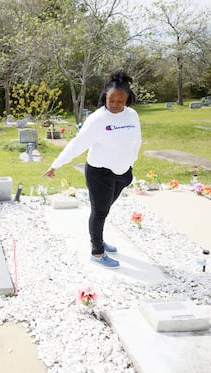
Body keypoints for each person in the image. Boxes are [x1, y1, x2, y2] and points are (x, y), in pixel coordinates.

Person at [44, 70, 141, 268]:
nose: (115, 105)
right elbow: (77, 144)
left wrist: (130, 163)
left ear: (127, 99)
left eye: (120, 101)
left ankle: (98, 239)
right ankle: (97, 252)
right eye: (111, 100)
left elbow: (136, 141)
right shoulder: (98, 119)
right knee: (99, 212)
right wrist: (56, 164)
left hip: (122, 174)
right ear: (104, 96)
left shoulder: (132, 115)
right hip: (100, 174)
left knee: (104, 210)